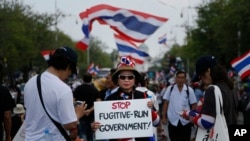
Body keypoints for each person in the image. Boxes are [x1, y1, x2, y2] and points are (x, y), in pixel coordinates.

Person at [24, 46, 100, 141]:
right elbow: (70, 124)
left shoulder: (30, 82)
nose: (69, 75)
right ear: (68, 67)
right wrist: (78, 114)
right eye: (71, 72)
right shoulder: (63, 89)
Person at [106, 56, 160, 141]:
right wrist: (96, 127)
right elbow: (104, 126)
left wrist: (151, 111)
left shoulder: (143, 97)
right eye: (122, 77)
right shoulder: (109, 99)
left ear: (135, 80)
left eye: (130, 77)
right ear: (117, 79)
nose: (126, 80)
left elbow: (156, 123)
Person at [189, 55, 238, 140]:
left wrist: (192, 117)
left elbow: (207, 122)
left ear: (208, 71)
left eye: (200, 75)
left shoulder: (212, 90)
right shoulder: (231, 87)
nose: (200, 79)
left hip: (218, 136)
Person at [161, 70, 197, 141]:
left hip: (185, 121)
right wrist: (164, 117)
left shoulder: (189, 90)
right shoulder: (170, 89)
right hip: (173, 120)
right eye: (179, 77)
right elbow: (166, 103)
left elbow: (194, 105)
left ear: (185, 79)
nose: (180, 79)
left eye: (182, 78)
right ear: (176, 78)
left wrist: (193, 118)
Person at [73, 72, 102, 141]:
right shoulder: (94, 89)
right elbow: (99, 102)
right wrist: (90, 110)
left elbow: (73, 102)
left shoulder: (78, 89)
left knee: (82, 136)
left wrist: (80, 110)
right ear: (91, 79)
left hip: (81, 116)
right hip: (92, 116)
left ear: (83, 79)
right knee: (92, 136)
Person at [136, 72, 159, 141]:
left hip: (134, 130)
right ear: (146, 82)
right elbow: (156, 112)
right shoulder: (151, 94)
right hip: (150, 128)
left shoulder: (132, 92)